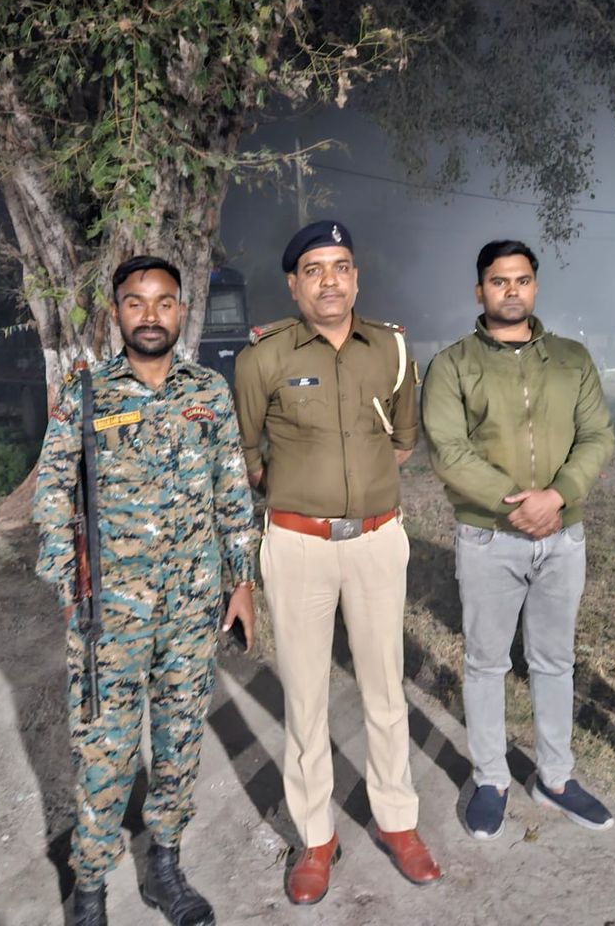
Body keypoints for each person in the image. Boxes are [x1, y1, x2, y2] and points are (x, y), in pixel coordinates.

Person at [33, 256, 258, 926]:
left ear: (181, 310)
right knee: (104, 752)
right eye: (136, 302)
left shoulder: (209, 391)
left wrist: (242, 582)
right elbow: (53, 491)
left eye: (164, 302)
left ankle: (165, 866)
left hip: (192, 607)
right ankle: (91, 889)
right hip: (110, 615)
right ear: (116, 313)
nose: (151, 315)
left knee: (180, 740)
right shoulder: (87, 393)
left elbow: (232, 490)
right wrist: (69, 585)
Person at [233, 220, 441, 905]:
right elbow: (247, 453)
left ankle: (397, 822)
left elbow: (403, 442)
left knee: (385, 690)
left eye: (342, 266)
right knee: (305, 696)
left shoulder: (393, 348)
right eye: (315, 269)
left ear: (357, 277)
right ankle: (316, 837)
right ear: (293, 285)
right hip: (297, 546)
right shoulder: (261, 358)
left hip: (378, 540)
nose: (331, 280)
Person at [421, 240, 615, 840]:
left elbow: (596, 435)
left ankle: (555, 777)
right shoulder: (453, 364)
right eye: (499, 281)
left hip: (563, 535)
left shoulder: (572, 359)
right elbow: (449, 451)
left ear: (535, 286)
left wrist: (557, 496)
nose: (511, 290)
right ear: (480, 290)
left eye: (522, 280)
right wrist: (519, 502)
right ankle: (491, 779)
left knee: (554, 660)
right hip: (488, 538)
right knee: (485, 662)